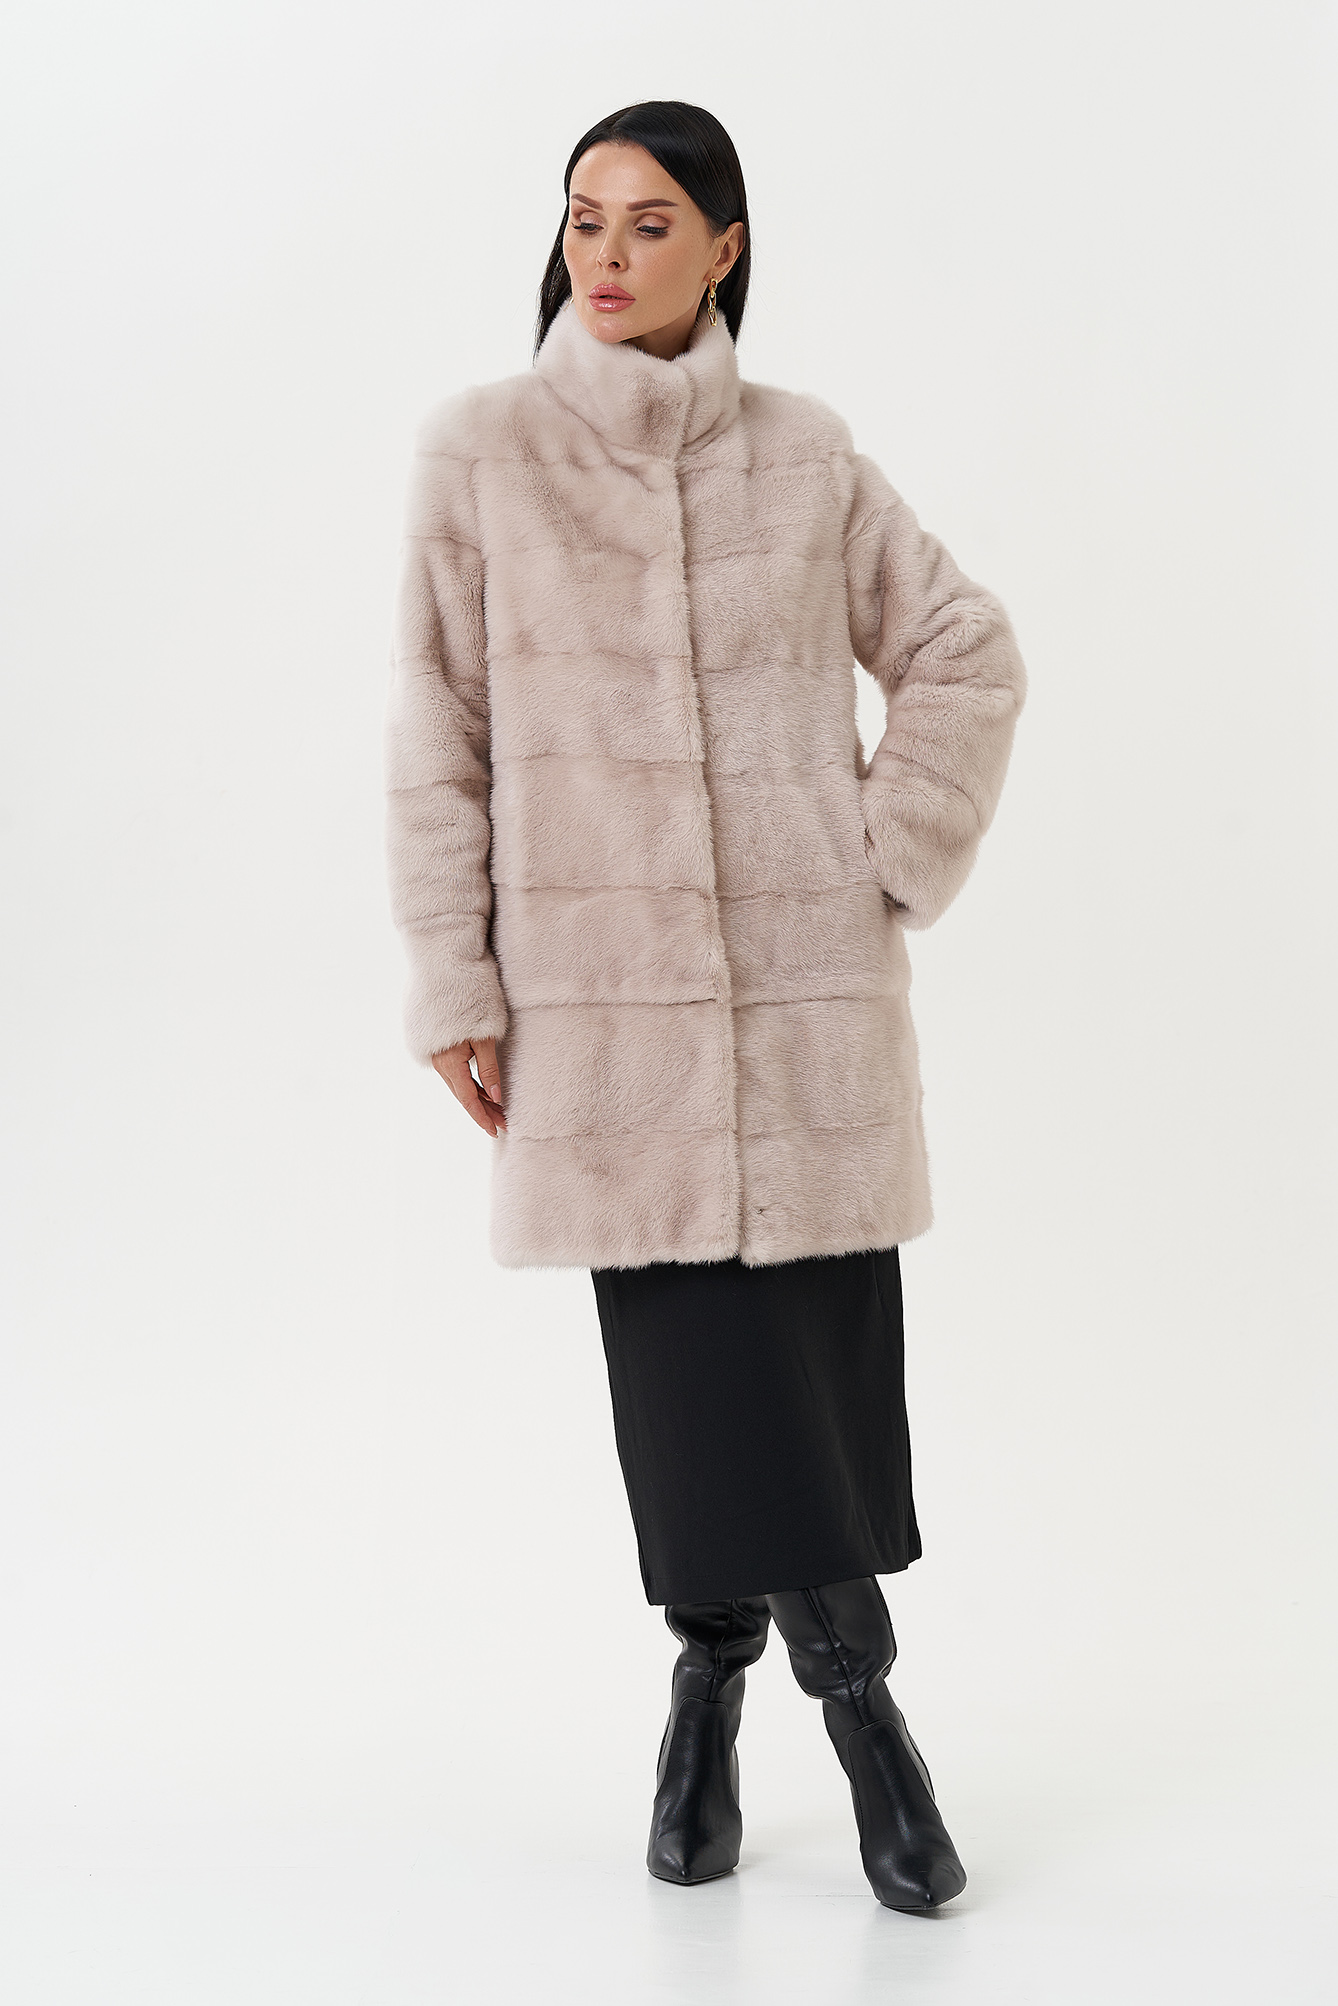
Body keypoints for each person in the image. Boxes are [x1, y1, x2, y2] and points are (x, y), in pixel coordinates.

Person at [384, 100, 1027, 1913]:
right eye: (582, 219)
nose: (603, 254)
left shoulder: (804, 457)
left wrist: (879, 850)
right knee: (695, 1397)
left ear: (725, 246)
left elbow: (963, 647)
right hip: (614, 1031)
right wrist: (454, 975)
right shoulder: (484, 455)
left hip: (805, 1025)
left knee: (810, 1389)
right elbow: (439, 736)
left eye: (648, 223)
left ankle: (708, 1695)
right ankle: (860, 1719)